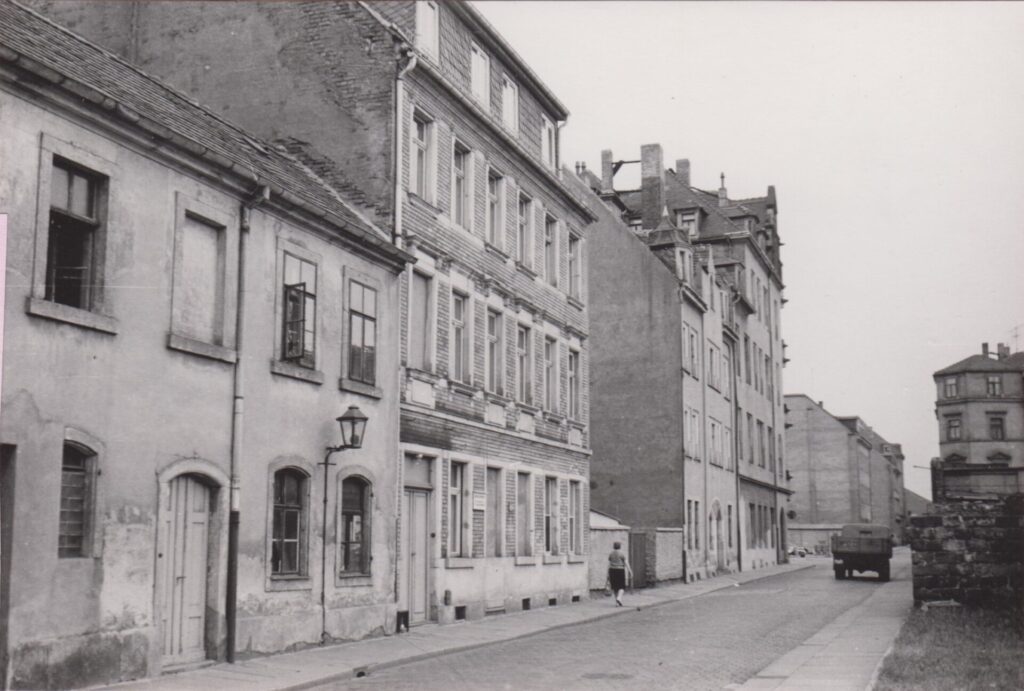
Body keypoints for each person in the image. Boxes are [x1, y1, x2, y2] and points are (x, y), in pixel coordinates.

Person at [607, 541, 633, 606]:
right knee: (622, 586)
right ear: (620, 546)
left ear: (614, 546)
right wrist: (630, 571)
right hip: (620, 571)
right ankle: (619, 598)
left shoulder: (611, 554)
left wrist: (607, 573)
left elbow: (609, 564)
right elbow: (626, 563)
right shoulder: (622, 554)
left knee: (615, 587)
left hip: (612, 570)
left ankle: (616, 602)